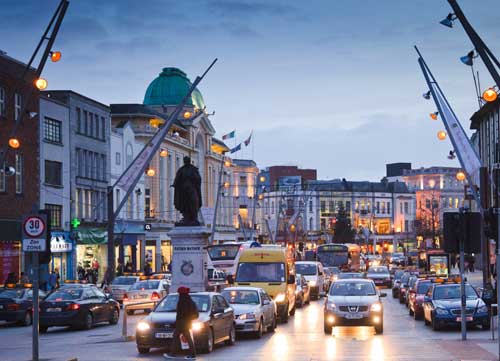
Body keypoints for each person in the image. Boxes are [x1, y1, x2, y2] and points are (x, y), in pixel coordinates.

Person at [164, 287, 198, 360]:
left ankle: (173, 354)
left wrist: (176, 322)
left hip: (181, 323)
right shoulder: (190, 301)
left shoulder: (182, 301)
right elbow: (194, 314)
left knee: (176, 337)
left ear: (181, 294)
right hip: (187, 323)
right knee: (187, 338)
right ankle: (192, 354)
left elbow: (180, 314)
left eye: (179, 293)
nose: (178, 295)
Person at [172, 156, 202, 226]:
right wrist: (175, 184)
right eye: (185, 160)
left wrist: (194, 179)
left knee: (194, 202)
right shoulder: (181, 170)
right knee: (184, 204)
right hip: (183, 191)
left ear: (189, 161)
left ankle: (194, 218)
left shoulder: (194, 169)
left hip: (192, 189)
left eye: (187, 160)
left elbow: (198, 178)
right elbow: (177, 178)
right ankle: (186, 217)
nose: (186, 161)